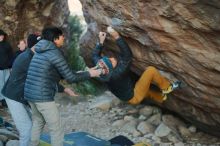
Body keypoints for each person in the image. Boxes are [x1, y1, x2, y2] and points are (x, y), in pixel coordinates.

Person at [24, 27, 101, 146]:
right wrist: (92, 74)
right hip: (42, 96)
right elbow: (71, 78)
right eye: (61, 35)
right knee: (56, 128)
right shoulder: (54, 52)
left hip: (30, 93)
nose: (64, 37)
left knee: (38, 121)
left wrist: (87, 71)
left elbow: (65, 72)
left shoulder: (41, 49)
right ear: (55, 39)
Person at [1, 33, 77, 146]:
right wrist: (64, 87)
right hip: (14, 97)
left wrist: (65, 89)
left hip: (22, 95)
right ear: (33, 46)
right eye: (39, 44)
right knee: (26, 129)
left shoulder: (34, 56)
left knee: (34, 123)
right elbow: (43, 80)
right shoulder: (28, 59)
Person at [92, 26, 181, 105]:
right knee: (151, 71)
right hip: (134, 96)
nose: (112, 59)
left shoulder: (101, 69)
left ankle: (161, 98)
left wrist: (101, 41)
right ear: (111, 70)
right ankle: (166, 87)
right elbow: (127, 56)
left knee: (146, 91)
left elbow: (95, 55)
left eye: (108, 59)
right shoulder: (117, 74)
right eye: (111, 62)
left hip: (126, 95)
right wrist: (117, 36)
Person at [0, 29, 13, 106]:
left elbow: (11, 55)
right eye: (0, 35)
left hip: (7, 68)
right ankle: (2, 99)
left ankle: (6, 98)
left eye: (2, 35)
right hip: (0, 69)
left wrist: (10, 65)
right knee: (1, 84)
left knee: (7, 84)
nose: (1, 37)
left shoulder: (7, 44)